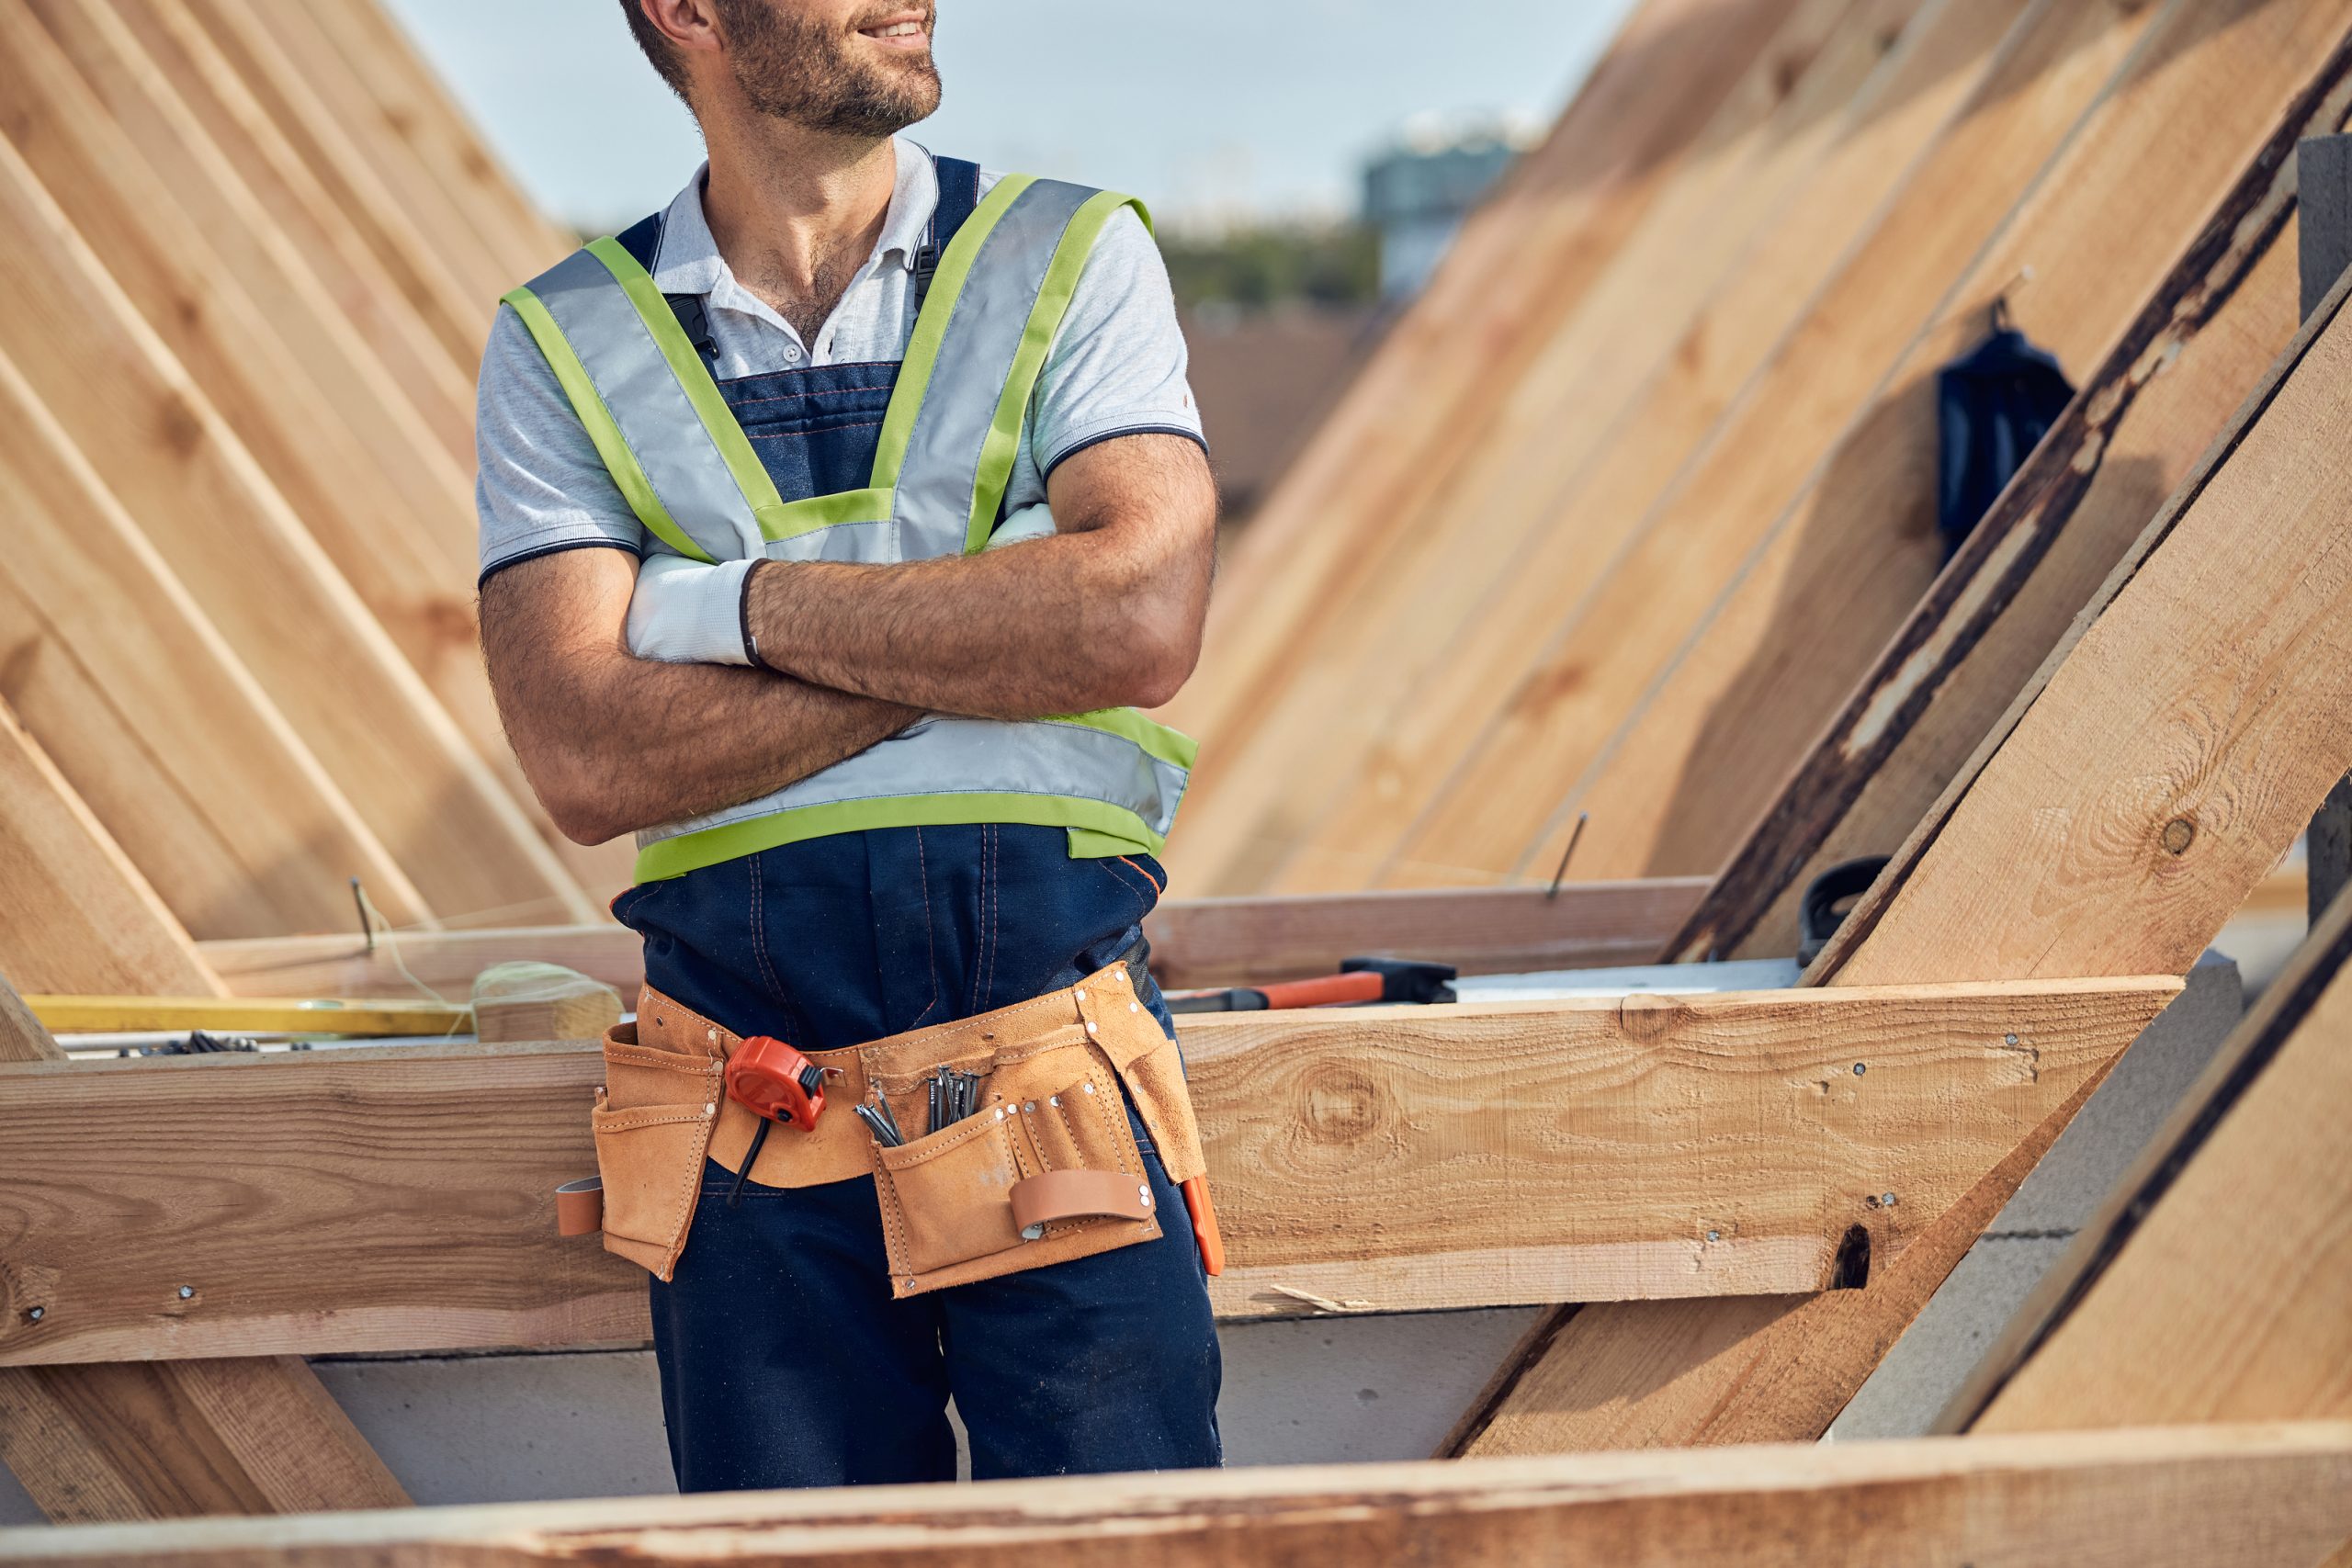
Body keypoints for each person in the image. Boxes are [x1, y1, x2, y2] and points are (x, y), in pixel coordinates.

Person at [473, 0, 1222, 1493]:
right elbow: (586, 761)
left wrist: (723, 609)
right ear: (690, 15)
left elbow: (1135, 618)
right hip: (753, 1125)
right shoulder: (568, 341)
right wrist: (995, 621)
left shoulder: (1067, 256)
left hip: (1053, 1084)